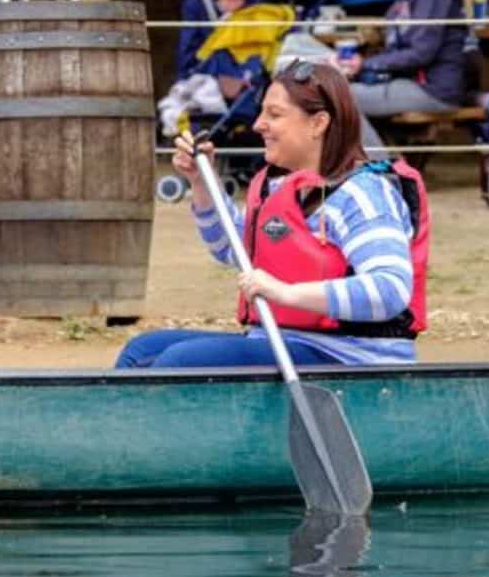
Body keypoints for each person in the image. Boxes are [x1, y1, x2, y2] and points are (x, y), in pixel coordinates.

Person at [117, 60, 429, 368]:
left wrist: (287, 294)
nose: (258, 124)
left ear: (318, 123)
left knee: (179, 363)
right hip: (280, 340)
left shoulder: (363, 194)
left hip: (349, 356)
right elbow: (231, 248)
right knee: (141, 351)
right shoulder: (278, 186)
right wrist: (202, 181)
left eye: (274, 115)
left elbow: (390, 289)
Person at [336, 0, 468, 151]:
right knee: (337, 92)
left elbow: (421, 52)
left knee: (340, 99)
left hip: (433, 89)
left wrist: (364, 64)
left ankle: (382, 170)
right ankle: (382, 166)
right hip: (415, 82)